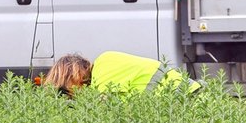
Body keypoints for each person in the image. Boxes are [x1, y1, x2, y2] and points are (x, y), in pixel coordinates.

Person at [43, 51, 200, 96]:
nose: (71, 96)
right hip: (189, 97)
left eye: (65, 90)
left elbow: (106, 117)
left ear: (72, 75)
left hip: (189, 100)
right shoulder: (105, 63)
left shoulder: (102, 69)